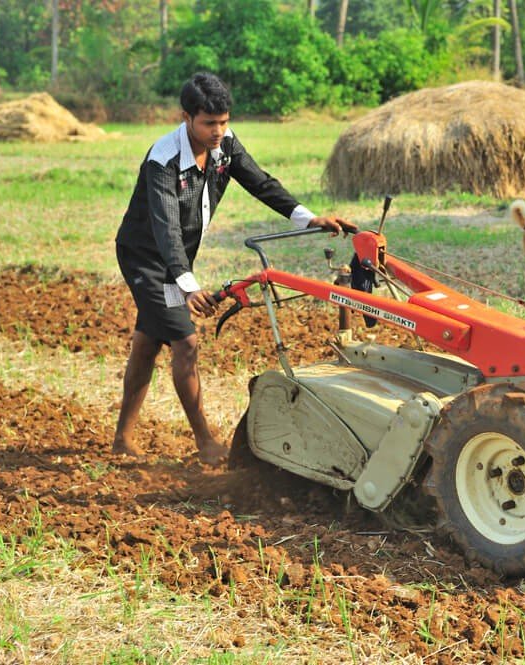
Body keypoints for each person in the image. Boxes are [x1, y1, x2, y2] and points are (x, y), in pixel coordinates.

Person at [113, 72, 357, 465]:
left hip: (176, 261)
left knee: (148, 340)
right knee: (185, 341)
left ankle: (122, 439)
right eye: (209, 123)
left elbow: (261, 182)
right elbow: (166, 227)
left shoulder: (225, 145)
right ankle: (205, 442)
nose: (218, 131)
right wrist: (189, 285)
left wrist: (307, 218)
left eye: (224, 122)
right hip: (146, 258)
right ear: (186, 117)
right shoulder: (163, 160)